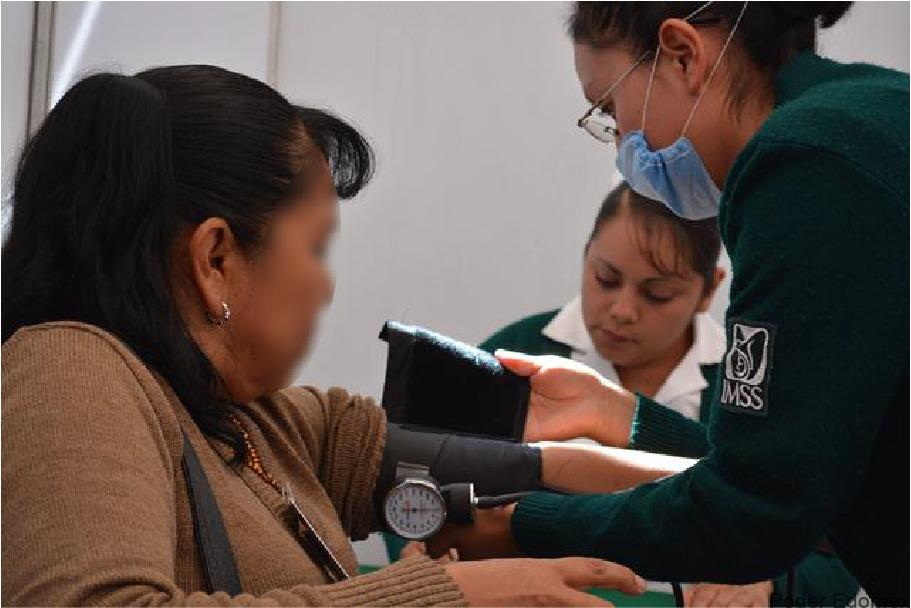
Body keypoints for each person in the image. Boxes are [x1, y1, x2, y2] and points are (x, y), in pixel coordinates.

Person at [0, 66, 653, 607]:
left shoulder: (247, 419)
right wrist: (441, 595)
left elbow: (494, 465)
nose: (325, 286)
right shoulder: (70, 368)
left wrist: (612, 436)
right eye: (314, 248)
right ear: (215, 258)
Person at [427, 3, 909, 606]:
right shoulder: (875, 112)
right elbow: (792, 466)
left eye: (610, 110)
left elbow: (755, 509)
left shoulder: (808, 163)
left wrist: (521, 524)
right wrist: (624, 417)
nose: (621, 145)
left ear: (683, 55)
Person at [480, 180, 860, 606]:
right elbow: (433, 499)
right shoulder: (516, 360)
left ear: (709, 289)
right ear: (586, 254)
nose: (622, 311)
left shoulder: (752, 387)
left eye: (657, 294)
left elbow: (839, 547)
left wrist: (766, 578)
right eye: (606, 279)